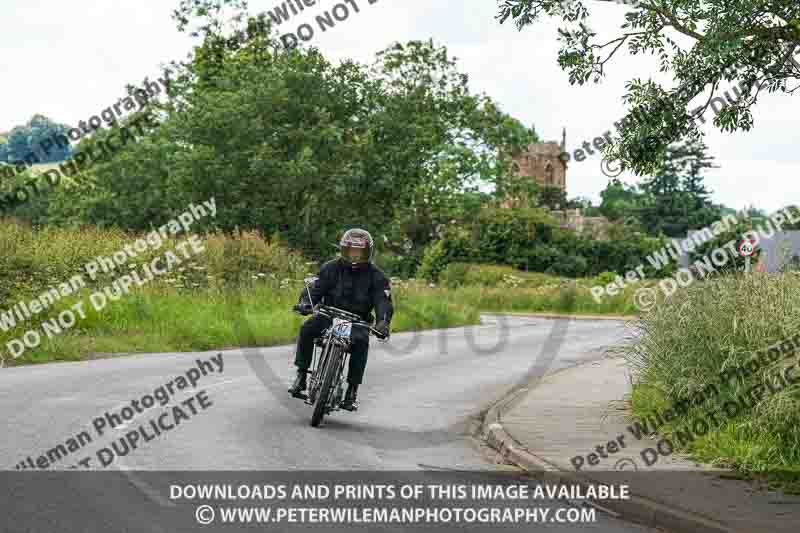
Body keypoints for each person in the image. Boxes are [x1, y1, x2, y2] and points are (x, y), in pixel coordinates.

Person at [289, 228, 393, 410]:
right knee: (307, 329)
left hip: (357, 321)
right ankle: (301, 374)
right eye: (351, 251)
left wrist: (383, 322)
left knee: (361, 343)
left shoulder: (377, 277)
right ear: (343, 250)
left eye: (359, 252)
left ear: (367, 253)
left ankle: (352, 390)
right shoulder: (330, 268)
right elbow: (315, 289)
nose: (354, 256)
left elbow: (383, 302)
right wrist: (306, 303)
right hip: (328, 315)